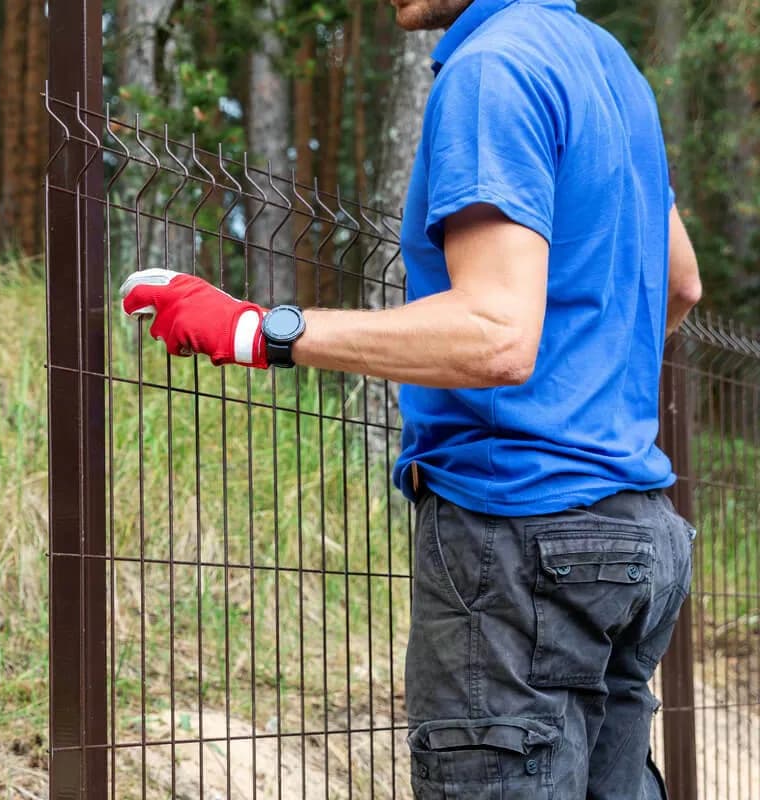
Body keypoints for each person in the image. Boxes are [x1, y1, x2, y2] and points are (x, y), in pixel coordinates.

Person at [119, 0, 704, 797]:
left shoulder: (492, 68)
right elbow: (680, 283)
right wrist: (584, 387)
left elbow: (497, 333)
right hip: (635, 532)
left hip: (520, 529)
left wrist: (257, 329)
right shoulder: (614, 71)